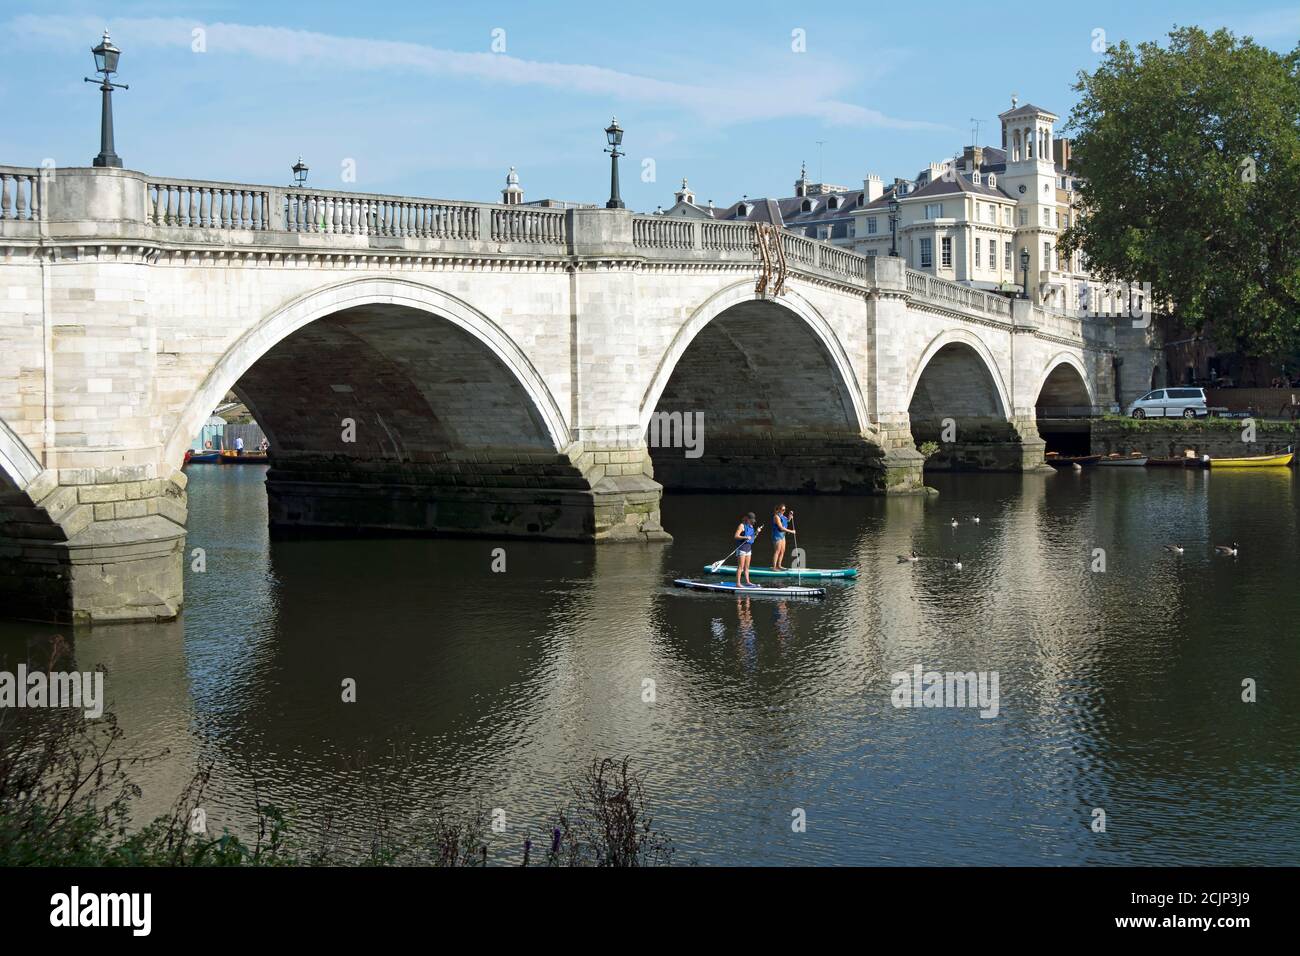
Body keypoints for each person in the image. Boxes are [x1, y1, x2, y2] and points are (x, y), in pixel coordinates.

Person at [734, 512, 761, 588]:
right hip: (741, 549)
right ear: (747, 519)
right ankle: (738, 583)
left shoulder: (751, 527)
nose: (752, 521)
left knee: (747, 567)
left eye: (753, 520)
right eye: (751, 520)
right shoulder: (742, 525)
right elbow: (736, 536)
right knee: (740, 567)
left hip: (748, 549)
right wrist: (745, 537)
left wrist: (757, 533)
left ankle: (748, 582)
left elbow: (752, 539)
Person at [771, 504, 792, 570]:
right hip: (777, 535)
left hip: (782, 535)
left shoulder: (783, 516)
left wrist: (790, 515)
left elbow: (788, 520)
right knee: (777, 551)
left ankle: (779, 565)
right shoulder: (776, 517)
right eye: (783, 510)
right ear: (779, 509)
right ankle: (774, 567)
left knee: (782, 551)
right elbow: (781, 527)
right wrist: (791, 531)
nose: (784, 511)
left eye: (785, 510)